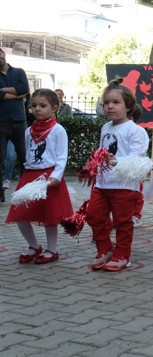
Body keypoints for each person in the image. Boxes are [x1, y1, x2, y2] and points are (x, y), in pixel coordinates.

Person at [86, 78, 150, 272]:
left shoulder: (136, 131)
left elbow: (137, 158)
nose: (110, 107)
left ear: (128, 106)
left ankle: (122, 255)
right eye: (106, 103)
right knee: (93, 216)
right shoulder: (105, 127)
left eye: (116, 102)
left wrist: (117, 161)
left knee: (123, 222)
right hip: (103, 183)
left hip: (124, 185)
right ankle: (105, 250)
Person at [5, 89, 73, 264]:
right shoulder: (28, 131)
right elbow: (28, 153)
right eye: (33, 105)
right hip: (30, 175)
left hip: (49, 177)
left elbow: (61, 156)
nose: (37, 109)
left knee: (49, 215)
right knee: (19, 211)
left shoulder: (58, 130)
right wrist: (26, 172)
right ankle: (34, 246)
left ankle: (52, 250)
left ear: (54, 108)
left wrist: (56, 176)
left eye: (42, 105)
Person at [0, 47, 30, 203]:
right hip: (1, 122)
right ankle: (1, 192)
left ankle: (27, 190)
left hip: (19, 121)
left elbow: (25, 89)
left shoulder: (19, 72)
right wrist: (17, 94)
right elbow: (21, 91)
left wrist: (3, 90)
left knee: (24, 156)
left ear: (3, 54)